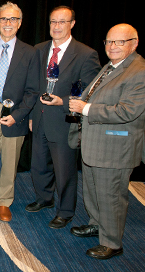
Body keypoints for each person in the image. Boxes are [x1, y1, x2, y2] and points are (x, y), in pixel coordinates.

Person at [68, 24, 145, 259]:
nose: (112, 47)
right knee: (93, 190)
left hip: (115, 147)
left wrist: (86, 108)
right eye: (109, 42)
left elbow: (127, 111)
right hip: (96, 144)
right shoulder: (112, 66)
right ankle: (96, 224)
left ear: (134, 44)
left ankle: (112, 242)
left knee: (111, 195)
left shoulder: (139, 71)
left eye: (119, 42)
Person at [27, 6, 100, 229]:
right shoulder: (39, 49)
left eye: (62, 22)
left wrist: (63, 100)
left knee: (65, 170)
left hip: (64, 119)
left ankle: (65, 211)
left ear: (72, 24)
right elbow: (32, 86)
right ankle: (44, 198)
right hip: (39, 118)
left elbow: (90, 89)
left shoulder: (86, 54)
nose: (56, 26)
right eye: (53, 22)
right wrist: (31, 115)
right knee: (39, 165)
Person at [0, 2, 39, 222]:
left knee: (10, 161)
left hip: (16, 113)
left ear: (20, 23)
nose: (8, 23)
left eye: (13, 19)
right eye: (4, 19)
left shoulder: (31, 53)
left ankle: (4, 201)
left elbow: (33, 90)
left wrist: (18, 115)